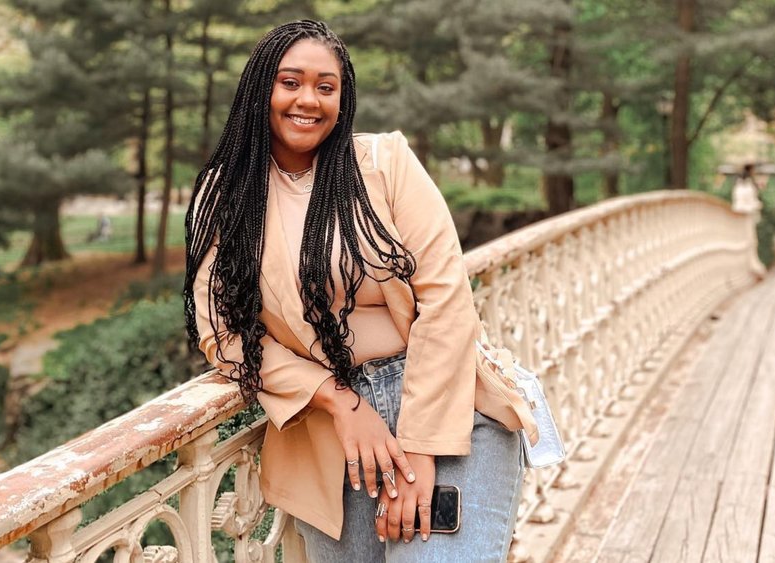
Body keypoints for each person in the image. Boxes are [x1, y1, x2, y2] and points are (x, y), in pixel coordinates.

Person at [184, 21, 528, 562]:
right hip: (329, 439)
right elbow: (221, 333)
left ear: (343, 101)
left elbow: (447, 299)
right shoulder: (225, 196)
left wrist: (420, 447)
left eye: (327, 87)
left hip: (444, 406)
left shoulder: (384, 163)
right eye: (290, 82)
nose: (308, 100)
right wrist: (339, 402)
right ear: (260, 91)